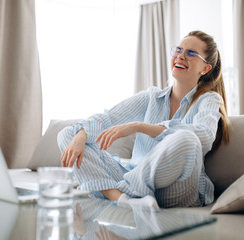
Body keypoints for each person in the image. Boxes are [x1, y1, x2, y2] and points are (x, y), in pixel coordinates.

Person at [57, 30, 230, 209]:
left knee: (188, 139)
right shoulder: (151, 97)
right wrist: (81, 136)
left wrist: (140, 127)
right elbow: (107, 118)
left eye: (191, 53)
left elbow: (205, 137)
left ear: (205, 68)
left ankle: (116, 191)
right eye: (178, 50)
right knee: (67, 134)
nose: (181, 56)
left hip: (175, 189)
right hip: (132, 174)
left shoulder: (209, 99)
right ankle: (121, 198)